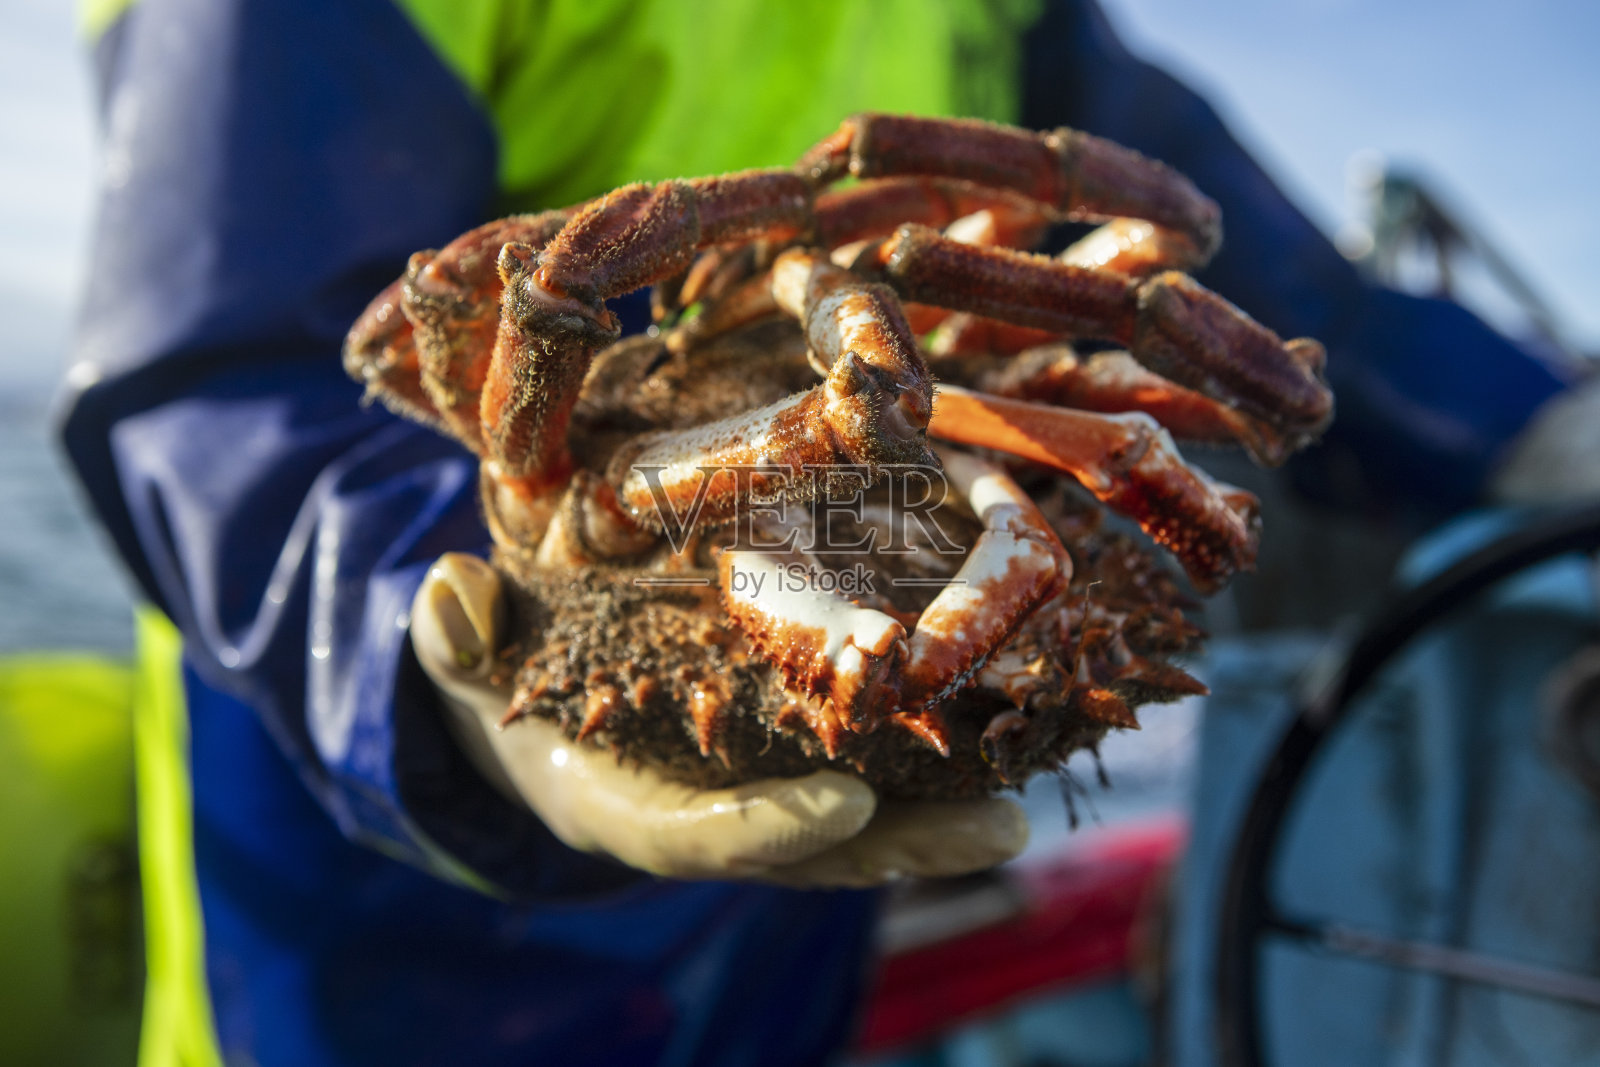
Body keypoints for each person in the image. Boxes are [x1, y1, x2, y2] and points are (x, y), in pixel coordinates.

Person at [59, 0, 1575, 1063]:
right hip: (382, 896)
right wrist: (409, 657)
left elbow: (1225, 267)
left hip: (797, 926)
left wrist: (1531, 422)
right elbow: (228, 369)